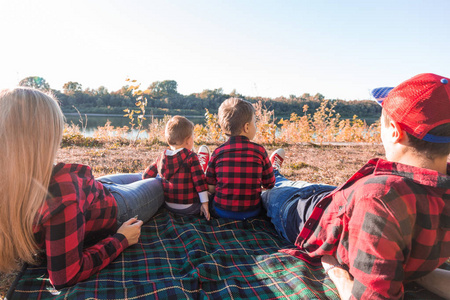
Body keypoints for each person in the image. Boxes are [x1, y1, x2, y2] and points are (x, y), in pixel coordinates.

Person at [261, 73, 450, 299]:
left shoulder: (380, 198)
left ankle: (271, 177)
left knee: (271, 193)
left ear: (394, 131)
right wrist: (415, 272)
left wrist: (335, 271)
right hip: (337, 199)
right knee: (304, 186)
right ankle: (275, 172)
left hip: (308, 214)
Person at [0, 87, 164, 290]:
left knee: (143, 175)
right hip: (118, 206)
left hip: (97, 188)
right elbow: (65, 276)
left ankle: (170, 160)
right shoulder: (59, 193)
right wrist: (121, 239)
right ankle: (180, 161)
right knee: (161, 181)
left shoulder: (14, 179)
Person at [206, 98, 276, 220]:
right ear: (247, 127)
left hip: (221, 211)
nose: (256, 126)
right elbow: (270, 184)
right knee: (273, 182)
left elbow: (210, 187)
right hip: (252, 212)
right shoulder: (259, 151)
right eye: (255, 123)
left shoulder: (217, 152)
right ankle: (275, 168)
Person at [143, 116, 210, 220]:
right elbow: (199, 182)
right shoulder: (191, 156)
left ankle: (200, 167)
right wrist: (205, 204)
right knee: (209, 190)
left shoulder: (162, 156)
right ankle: (201, 167)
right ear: (188, 140)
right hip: (190, 207)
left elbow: (146, 175)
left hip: (169, 205)